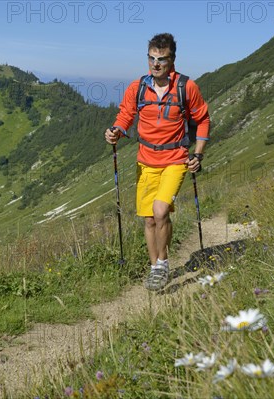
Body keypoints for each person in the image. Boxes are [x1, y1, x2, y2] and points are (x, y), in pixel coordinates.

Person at [105, 32, 210, 291]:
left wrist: (198, 154)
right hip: (145, 161)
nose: (156, 64)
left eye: (161, 59)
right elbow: (126, 114)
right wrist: (116, 130)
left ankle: (163, 263)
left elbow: (203, 120)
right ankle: (155, 268)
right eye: (151, 58)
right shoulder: (137, 87)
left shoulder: (187, 87)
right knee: (149, 219)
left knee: (161, 211)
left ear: (172, 60)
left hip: (175, 159)